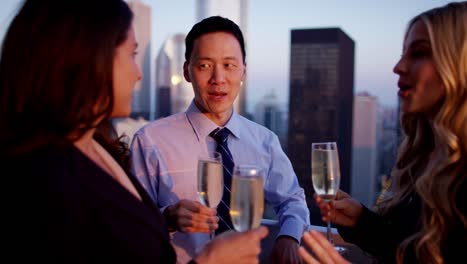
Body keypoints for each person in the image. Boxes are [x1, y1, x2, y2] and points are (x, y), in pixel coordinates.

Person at [0, 0, 268, 263]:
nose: (138, 73)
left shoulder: (98, 147)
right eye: (132, 54)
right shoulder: (40, 182)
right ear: (89, 59)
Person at [130, 16, 310, 263]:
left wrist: (289, 238)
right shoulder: (150, 141)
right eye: (204, 65)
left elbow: (292, 200)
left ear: (243, 71)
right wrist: (167, 217)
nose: (218, 79)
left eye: (229, 65)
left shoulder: (264, 141)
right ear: (187, 71)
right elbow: (130, 226)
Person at [310, 2, 467, 264]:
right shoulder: (427, 155)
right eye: (403, 53)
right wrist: (361, 221)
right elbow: (410, 249)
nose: (398, 66)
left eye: (418, 53)